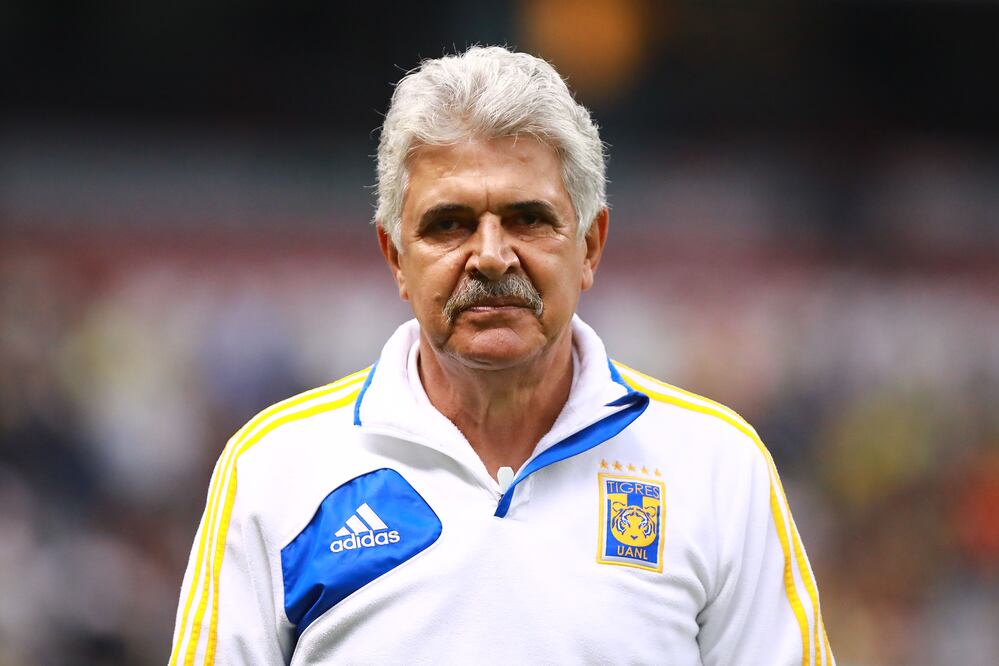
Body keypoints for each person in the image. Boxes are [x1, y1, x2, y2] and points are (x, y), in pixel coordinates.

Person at [169, 46, 833, 665]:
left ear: (591, 246)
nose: (490, 256)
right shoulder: (275, 469)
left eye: (527, 219)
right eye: (449, 224)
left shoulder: (717, 467)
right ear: (395, 256)